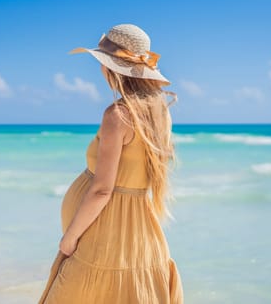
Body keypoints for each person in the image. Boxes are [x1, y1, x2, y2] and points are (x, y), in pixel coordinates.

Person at [38, 24, 184, 303]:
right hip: (137, 228)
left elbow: (102, 189)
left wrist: (70, 237)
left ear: (111, 69)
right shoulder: (160, 113)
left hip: (104, 231)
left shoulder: (117, 115)